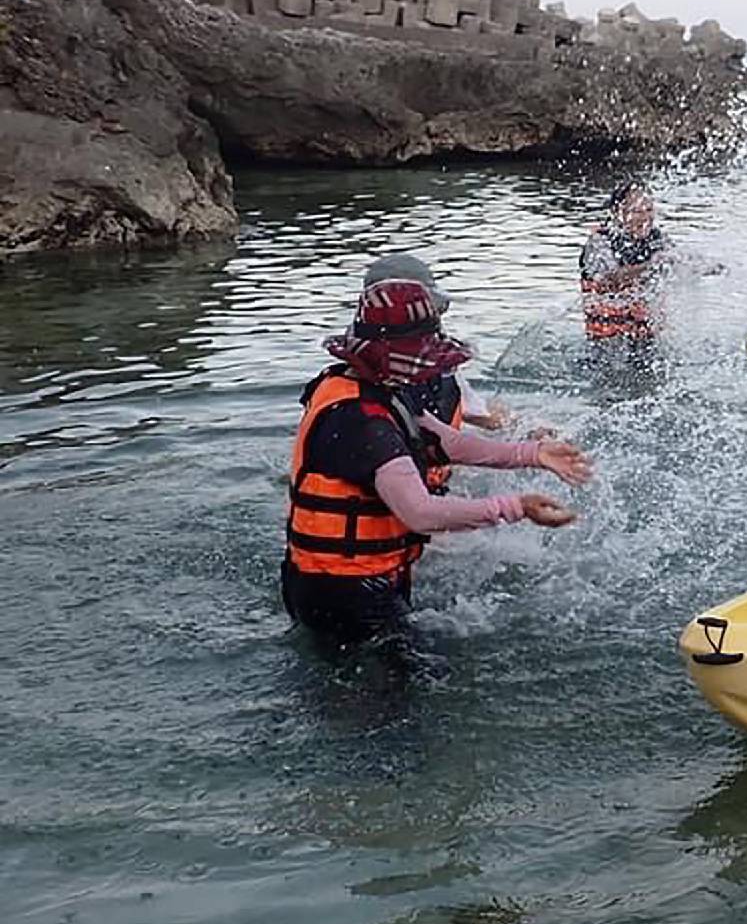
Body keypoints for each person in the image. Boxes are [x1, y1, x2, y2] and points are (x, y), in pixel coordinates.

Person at [282, 277, 592, 648]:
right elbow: (420, 513)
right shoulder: (362, 421)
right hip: (346, 593)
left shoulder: (370, 388)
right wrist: (516, 507)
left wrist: (532, 455)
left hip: (342, 580)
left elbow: (447, 442)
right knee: (399, 693)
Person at [362, 256, 507, 500]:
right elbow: (489, 422)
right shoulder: (422, 371)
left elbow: (482, 418)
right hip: (417, 508)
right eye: (431, 310)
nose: (437, 319)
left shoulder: (352, 373)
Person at [580, 180, 668, 341]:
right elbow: (611, 277)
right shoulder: (600, 242)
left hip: (647, 338)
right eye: (636, 211)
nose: (645, 217)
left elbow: (677, 261)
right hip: (606, 342)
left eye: (648, 210)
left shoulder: (657, 240)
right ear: (617, 213)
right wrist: (652, 265)